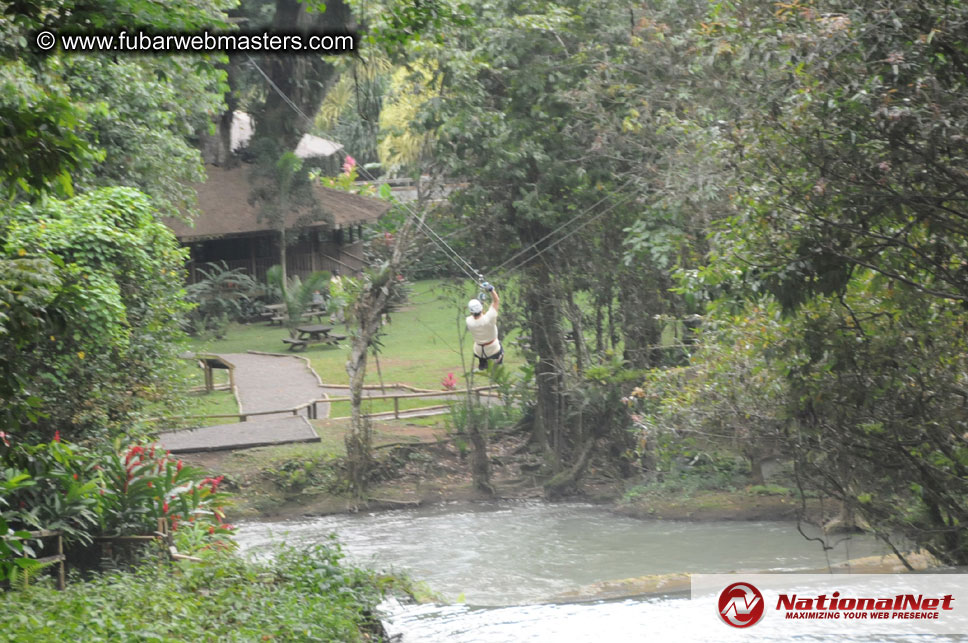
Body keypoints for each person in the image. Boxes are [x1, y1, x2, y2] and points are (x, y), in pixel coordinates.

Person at [466, 283, 503, 370]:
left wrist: (480, 302)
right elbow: (496, 301)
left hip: (479, 351)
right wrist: (491, 290)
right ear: (481, 309)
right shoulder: (490, 319)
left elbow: (477, 316)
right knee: (500, 349)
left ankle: (483, 364)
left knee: (481, 351)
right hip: (493, 349)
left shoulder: (468, 321)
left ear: (471, 312)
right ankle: (498, 363)